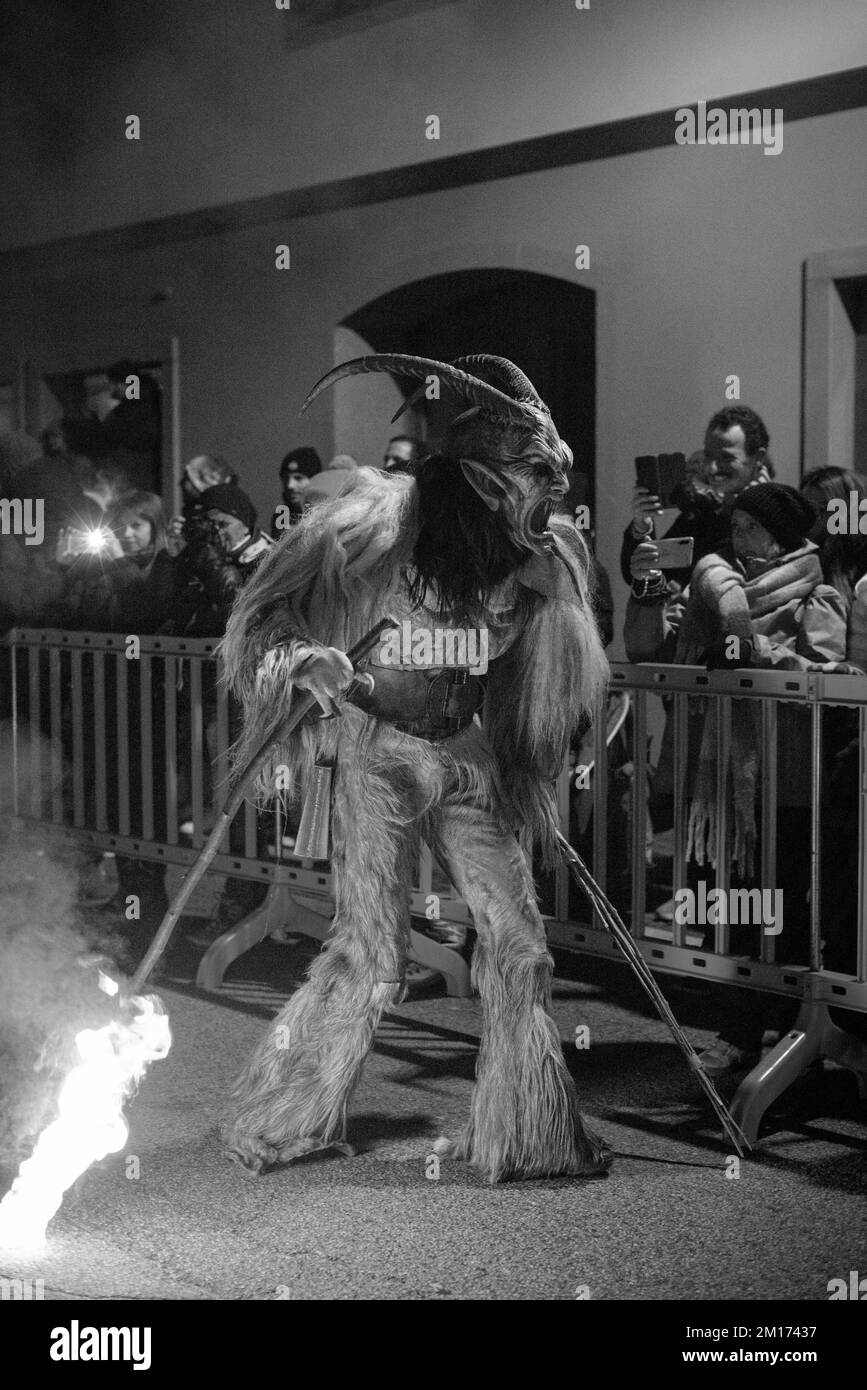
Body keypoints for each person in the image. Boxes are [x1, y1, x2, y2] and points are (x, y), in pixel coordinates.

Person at [219, 352, 611, 1183]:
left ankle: (527, 1133)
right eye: (535, 474)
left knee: (519, 945)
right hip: (381, 750)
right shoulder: (366, 530)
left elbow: (541, 688)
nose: (555, 495)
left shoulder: (543, 561)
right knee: (373, 950)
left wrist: (532, 752)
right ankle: (285, 1117)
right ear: (476, 477)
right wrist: (301, 660)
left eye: (557, 475)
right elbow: (263, 618)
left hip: (467, 760)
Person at [625, 482, 852, 1072]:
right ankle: (747, 1026)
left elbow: (826, 678)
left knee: (774, 912)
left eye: (751, 526)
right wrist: (648, 588)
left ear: (780, 534)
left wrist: (755, 653)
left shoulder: (817, 594)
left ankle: (766, 1032)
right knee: (718, 909)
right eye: (738, 525)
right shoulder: (713, 594)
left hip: (786, 783)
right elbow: (645, 647)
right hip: (718, 789)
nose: (738, 536)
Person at [620, 405, 774, 588]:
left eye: (726, 458)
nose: (712, 468)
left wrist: (755, 507)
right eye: (709, 456)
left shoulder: (782, 516)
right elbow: (646, 580)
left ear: (758, 458)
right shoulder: (703, 513)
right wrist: (641, 528)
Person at [270, 447, 322, 537]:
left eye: (298, 478)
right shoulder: (282, 516)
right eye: (286, 478)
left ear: (315, 480)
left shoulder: (327, 514)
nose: (290, 485)